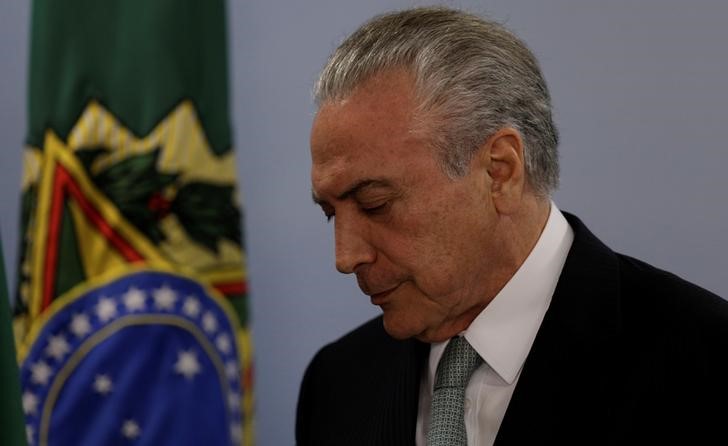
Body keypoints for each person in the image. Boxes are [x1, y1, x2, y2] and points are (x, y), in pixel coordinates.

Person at [296, 7, 728, 445]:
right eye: (331, 214)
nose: (345, 257)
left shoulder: (704, 363)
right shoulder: (336, 383)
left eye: (375, 204)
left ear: (499, 171)